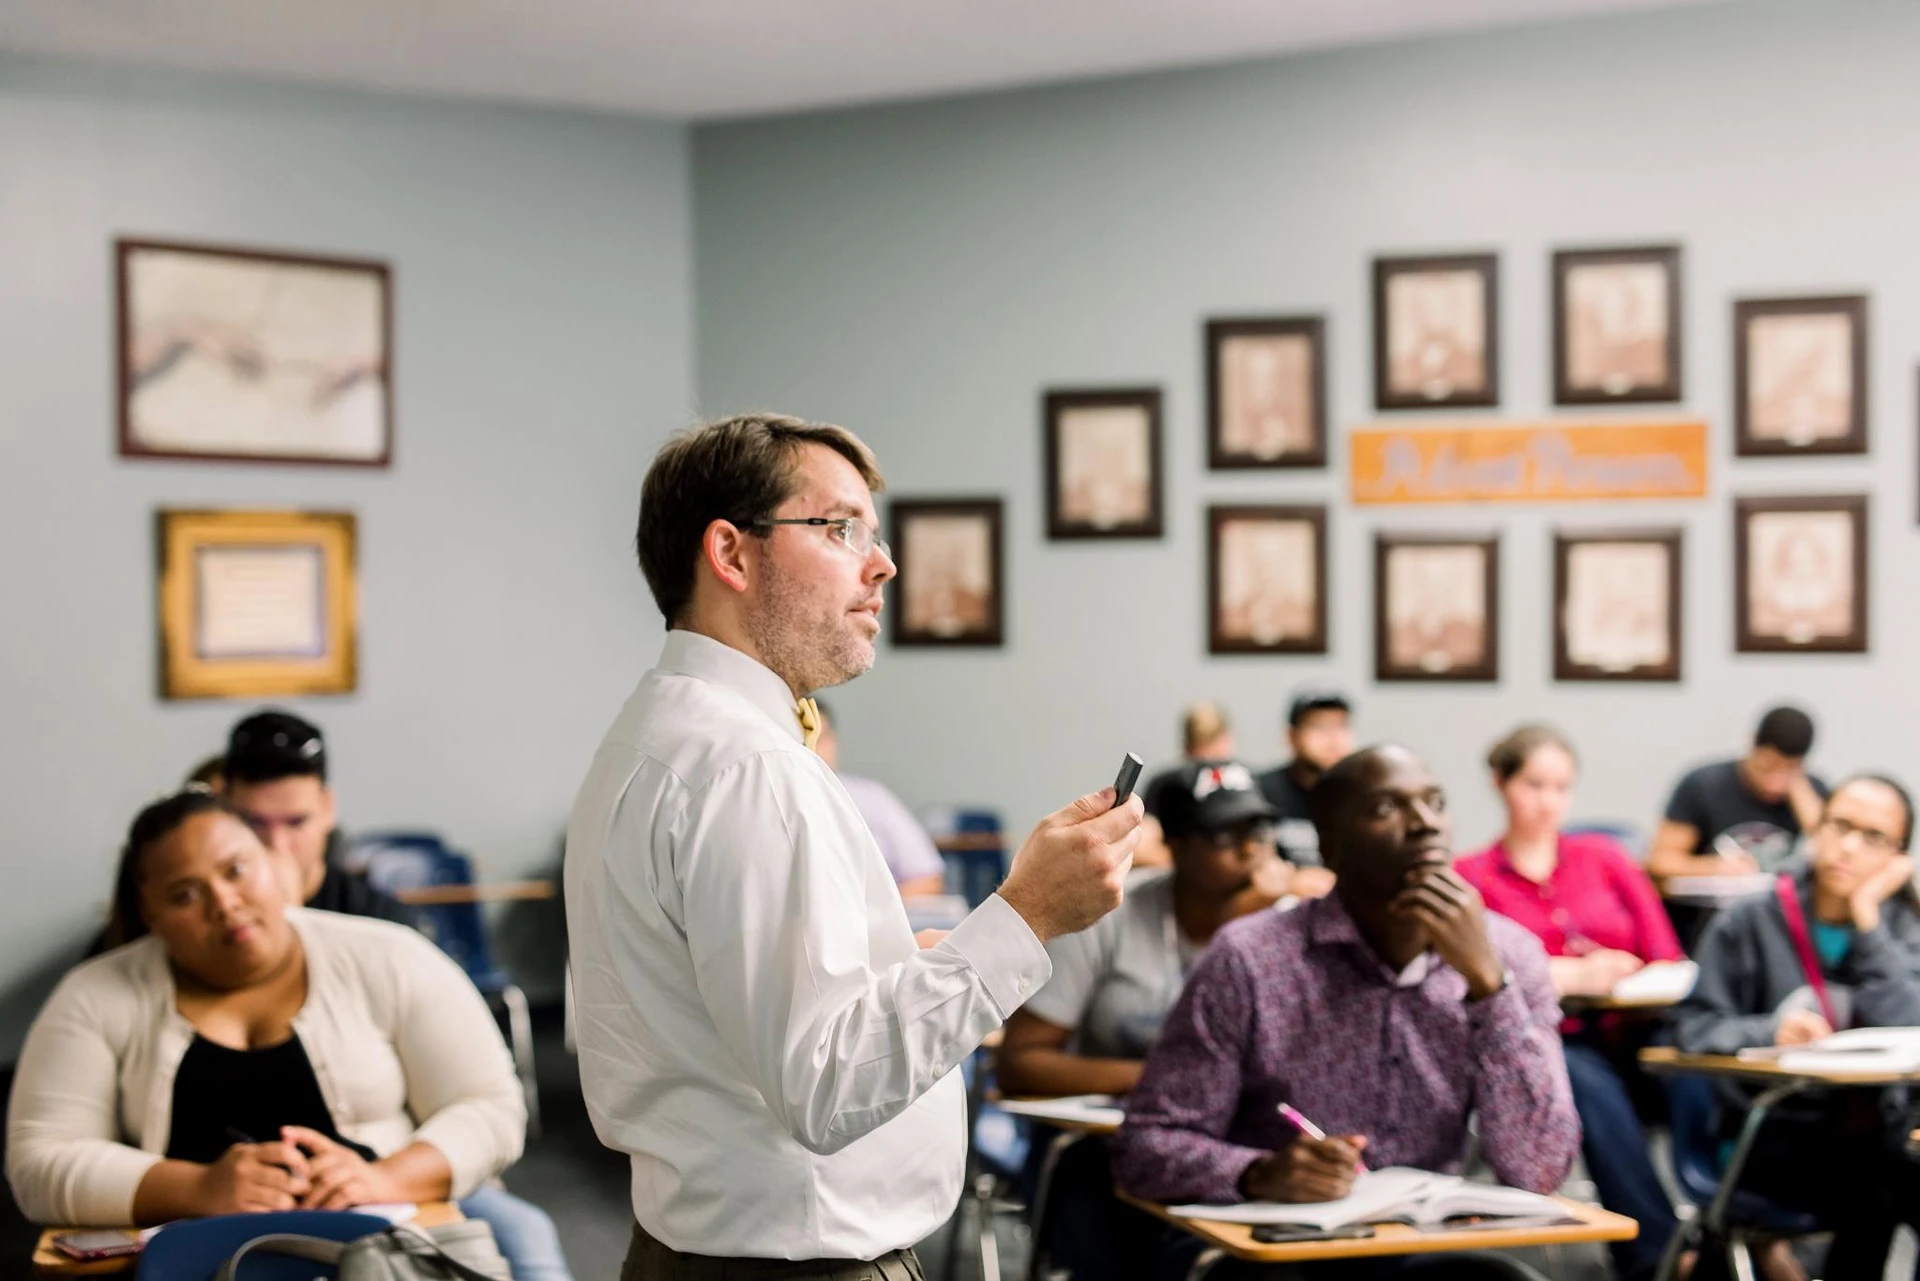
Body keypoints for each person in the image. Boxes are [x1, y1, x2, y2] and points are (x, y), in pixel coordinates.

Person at [565, 413, 1144, 1279]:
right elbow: (829, 1086)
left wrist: (894, 964)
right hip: (796, 1263)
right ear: (731, 553)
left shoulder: (658, 731)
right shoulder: (750, 766)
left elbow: (724, 1012)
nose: (884, 564)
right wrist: (1027, 914)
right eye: (840, 529)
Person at [7, 790, 570, 1280]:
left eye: (236, 870)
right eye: (185, 895)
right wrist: (200, 1187)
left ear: (274, 862)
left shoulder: (391, 957)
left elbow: (491, 1107)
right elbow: (38, 1162)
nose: (224, 904)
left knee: (527, 1241)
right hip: (196, 1252)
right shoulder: (94, 994)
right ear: (149, 914)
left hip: (396, 1233)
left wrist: (380, 1178)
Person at [1111, 745, 1577, 1281]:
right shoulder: (1251, 958)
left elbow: (1540, 1166)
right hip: (1280, 1246)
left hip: (1423, 1245)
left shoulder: (1510, 956)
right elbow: (1145, 1148)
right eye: (1386, 809)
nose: (1426, 825)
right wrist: (1259, 1173)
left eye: (1435, 803)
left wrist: (1490, 989)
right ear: (1331, 849)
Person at [999, 759, 1308, 1281]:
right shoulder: (1108, 915)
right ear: (1178, 845)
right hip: (1108, 1147)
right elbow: (1020, 1063)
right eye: (1223, 834)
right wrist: (1169, 1083)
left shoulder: (1288, 925)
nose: (1250, 848)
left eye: (1258, 828)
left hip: (1244, 1144)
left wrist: (1253, 926)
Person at [1454, 725, 1684, 1281]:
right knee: (1586, 1084)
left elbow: (1668, 957)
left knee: (1700, 1069)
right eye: (1534, 784)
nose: (1548, 801)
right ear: (1500, 784)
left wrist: (1627, 977)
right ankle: (1661, 1257)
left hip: (1636, 1025)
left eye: (1562, 787)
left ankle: (1732, 1220)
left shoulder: (1605, 857)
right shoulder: (1470, 877)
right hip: (1554, 1038)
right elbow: (1468, 977)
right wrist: (1570, 973)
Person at [1673, 775, 1920, 1281]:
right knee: (1882, 1179)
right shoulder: (1750, 919)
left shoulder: (1901, 927)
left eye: (1873, 837)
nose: (1848, 846)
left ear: (1899, 858)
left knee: (1891, 1167)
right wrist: (1770, 1032)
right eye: (1840, 825)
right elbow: (1693, 1027)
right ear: (1817, 826)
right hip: (1772, 1135)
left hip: (1876, 1133)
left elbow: (1910, 1022)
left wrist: (1867, 917)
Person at [221, 710, 415, 926]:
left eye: (296, 822)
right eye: (254, 823)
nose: (277, 844)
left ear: (327, 808)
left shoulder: (382, 923)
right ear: (225, 813)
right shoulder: (208, 920)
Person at [1649, 706, 1826, 882]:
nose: (1774, 785)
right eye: (1767, 767)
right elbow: (1659, 862)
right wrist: (1712, 868)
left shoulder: (1814, 793)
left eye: (1789, 770)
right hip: (1708, 907)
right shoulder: (1703, 785)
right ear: (1753, 744)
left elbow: (1832, 860)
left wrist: (1806, 803)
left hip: (1779, 908)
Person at [811, 700, 946, 899]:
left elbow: (927, 877)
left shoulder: (873, 798)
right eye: (803, 742)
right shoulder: (770, 800)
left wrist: (876, 913)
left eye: (820, 739)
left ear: (833, 741)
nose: (811, 750)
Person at [1255, 687, 1353, 873]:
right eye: (1319, 726)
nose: (1332, 738)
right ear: (1291, 736)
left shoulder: (1362, 796)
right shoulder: (1260, 793)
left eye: (1340, 725)